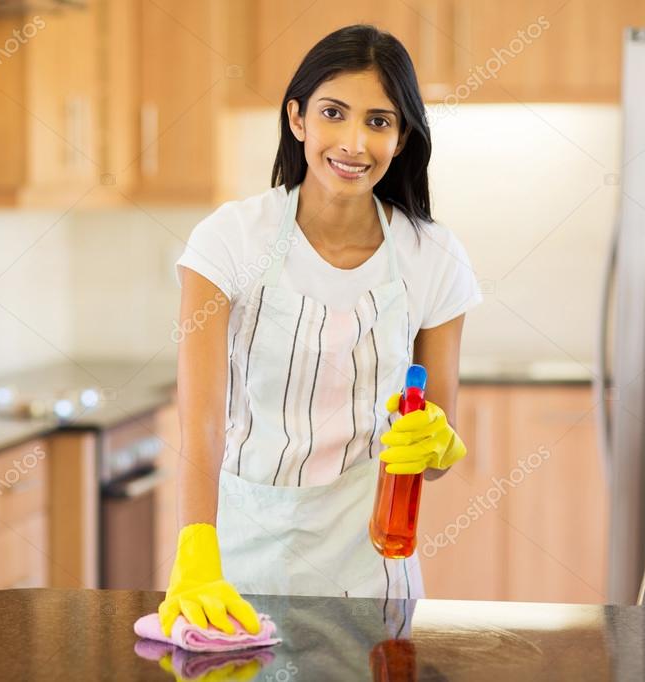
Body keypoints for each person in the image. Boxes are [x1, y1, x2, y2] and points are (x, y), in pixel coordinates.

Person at [158, 24, 484, 637]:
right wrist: (197, 549)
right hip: (239, 567)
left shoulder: (433, 257)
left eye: (380, 121)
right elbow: (200, 421)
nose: (354, 142)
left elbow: (431, 458)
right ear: (298, 118)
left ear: (402, 137)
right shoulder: (230, 240)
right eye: (334, 112)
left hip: (373, 574)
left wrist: (438, 445)